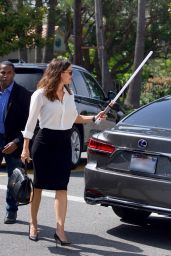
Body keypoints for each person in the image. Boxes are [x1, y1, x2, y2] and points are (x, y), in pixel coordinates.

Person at [21, 58, 106, 245]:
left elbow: (74, 117)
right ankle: (33, 223)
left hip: (63, 143)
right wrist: (25, 148)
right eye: (69, 72)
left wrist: (94, 117)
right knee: (39, 185)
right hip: (44, 143)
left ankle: (60, 229)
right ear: (59, 73)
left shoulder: (69, 94)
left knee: (62, 186)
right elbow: (30, 122)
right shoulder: (40, 94)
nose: (71, 75)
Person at [0, 61, 31, 224]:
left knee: (14, 178)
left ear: (13, 74)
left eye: (8, 72)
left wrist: (17, 142)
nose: (5, 75)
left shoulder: (23, 94)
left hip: (12, 141)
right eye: (2, 72)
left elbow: (30, 124)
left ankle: (11, 211)